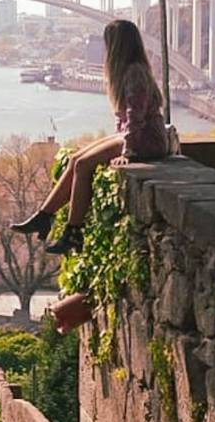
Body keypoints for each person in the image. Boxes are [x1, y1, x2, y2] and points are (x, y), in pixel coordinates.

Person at [11, 19, 170, 254]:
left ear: (116, 46)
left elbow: (135, 117)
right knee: (76, 158)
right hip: (139, 133)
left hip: (147, 138)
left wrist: (128, 152)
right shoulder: (129, 71)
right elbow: (126, 118)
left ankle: (73, 231)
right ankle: (44, 215)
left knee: (84, 165)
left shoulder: (134, 73)